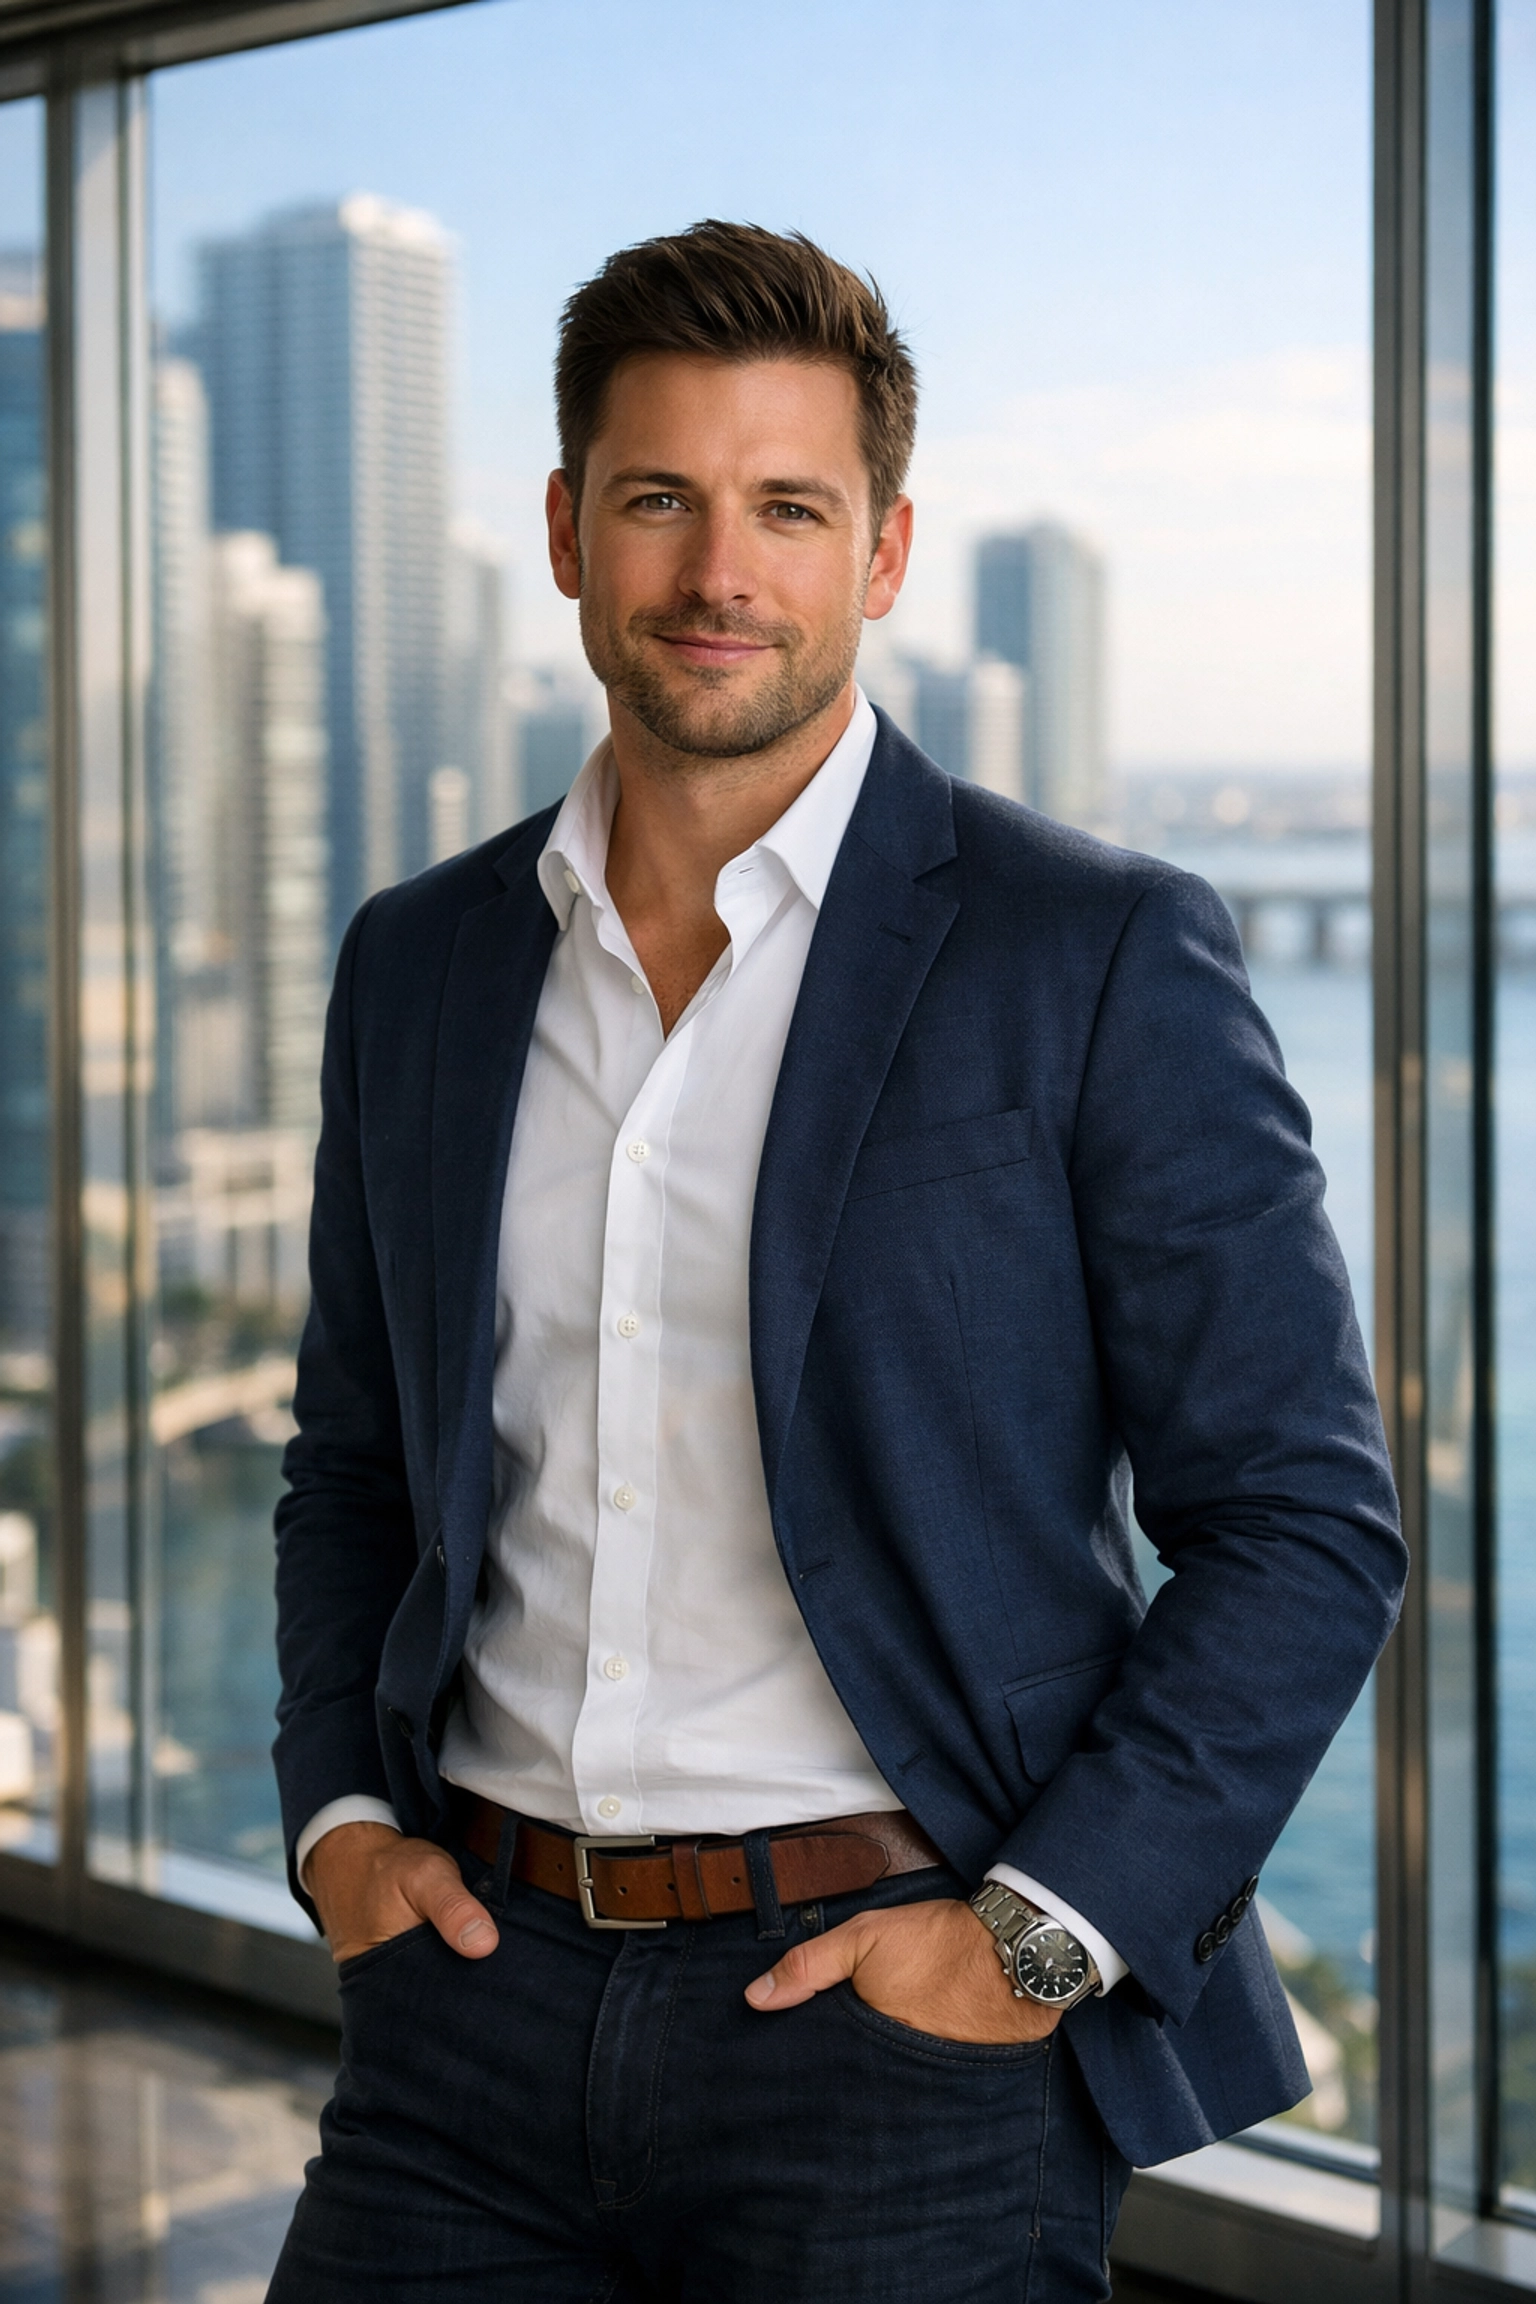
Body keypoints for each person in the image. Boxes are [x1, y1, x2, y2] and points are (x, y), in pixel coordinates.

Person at [266, 220, 1405, 2304]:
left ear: (881, 554)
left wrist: (1038, 1938)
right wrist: (338, 1814)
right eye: (660, 501)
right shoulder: (416, 964)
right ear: (564, 530)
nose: (722, 573)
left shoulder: (1094, 952)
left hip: (898, 2048)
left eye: (789, 507)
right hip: (463, 2016)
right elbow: (351, 1460)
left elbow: (1302, 1523)